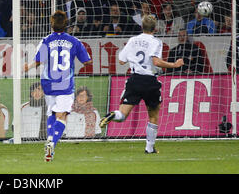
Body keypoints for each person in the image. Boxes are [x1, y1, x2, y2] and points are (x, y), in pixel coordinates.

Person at [99, 15, 184, 154]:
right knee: (153, 115)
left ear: (141, 27)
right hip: (150, 81)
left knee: (122, 114)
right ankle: (149, 148)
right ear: (155, 28)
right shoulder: (156, 42)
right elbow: (156, 62)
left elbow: (121, 60)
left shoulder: (133, 40)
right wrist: (174, 64)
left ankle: (112, 115)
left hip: (135, 80)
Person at [23, 10, 92, 162]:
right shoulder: (74, 41)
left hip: (48, 84)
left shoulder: (46, 40)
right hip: (65, 84)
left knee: (52, 113)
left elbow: (39, 61)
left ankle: (49, 137)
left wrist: (28, 66)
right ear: (66, 24)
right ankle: (51, 143)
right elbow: (87, 61)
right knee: (62, 116)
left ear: (51, 24)